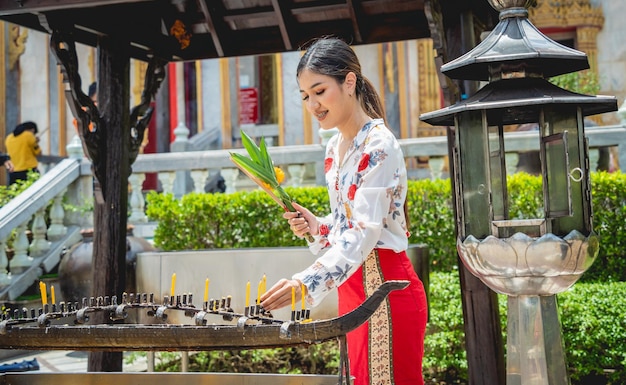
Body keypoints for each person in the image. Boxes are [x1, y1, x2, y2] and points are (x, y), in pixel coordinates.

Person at [260, 37, 428, 385]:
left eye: (320, 91)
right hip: (353, 292)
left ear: (349, 81)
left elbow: (364, 234)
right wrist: (316, 227)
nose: (313, 104)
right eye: (306, 96)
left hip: (386, 293)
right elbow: (345, 228)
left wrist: (303, 284)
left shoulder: (378, 146)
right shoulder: (335, 148)